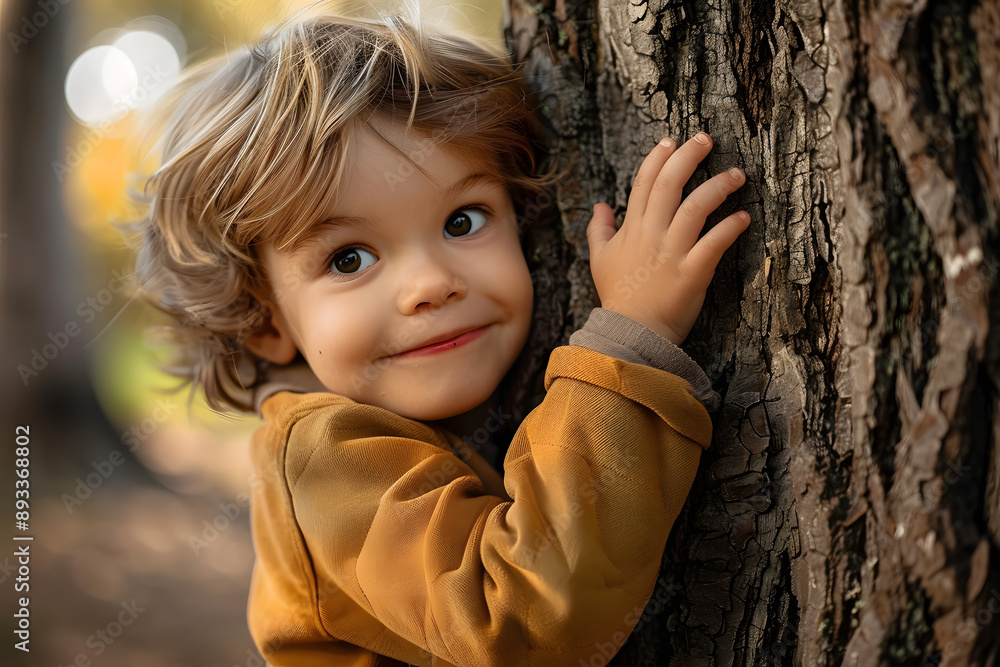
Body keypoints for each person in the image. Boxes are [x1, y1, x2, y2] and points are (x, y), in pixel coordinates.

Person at [127, 3, 749, 665]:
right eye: (349, 259)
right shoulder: (322, 458)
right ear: (264, 321)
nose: (430, 283)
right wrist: (634, 334)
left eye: (462, 220)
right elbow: (528, 621)